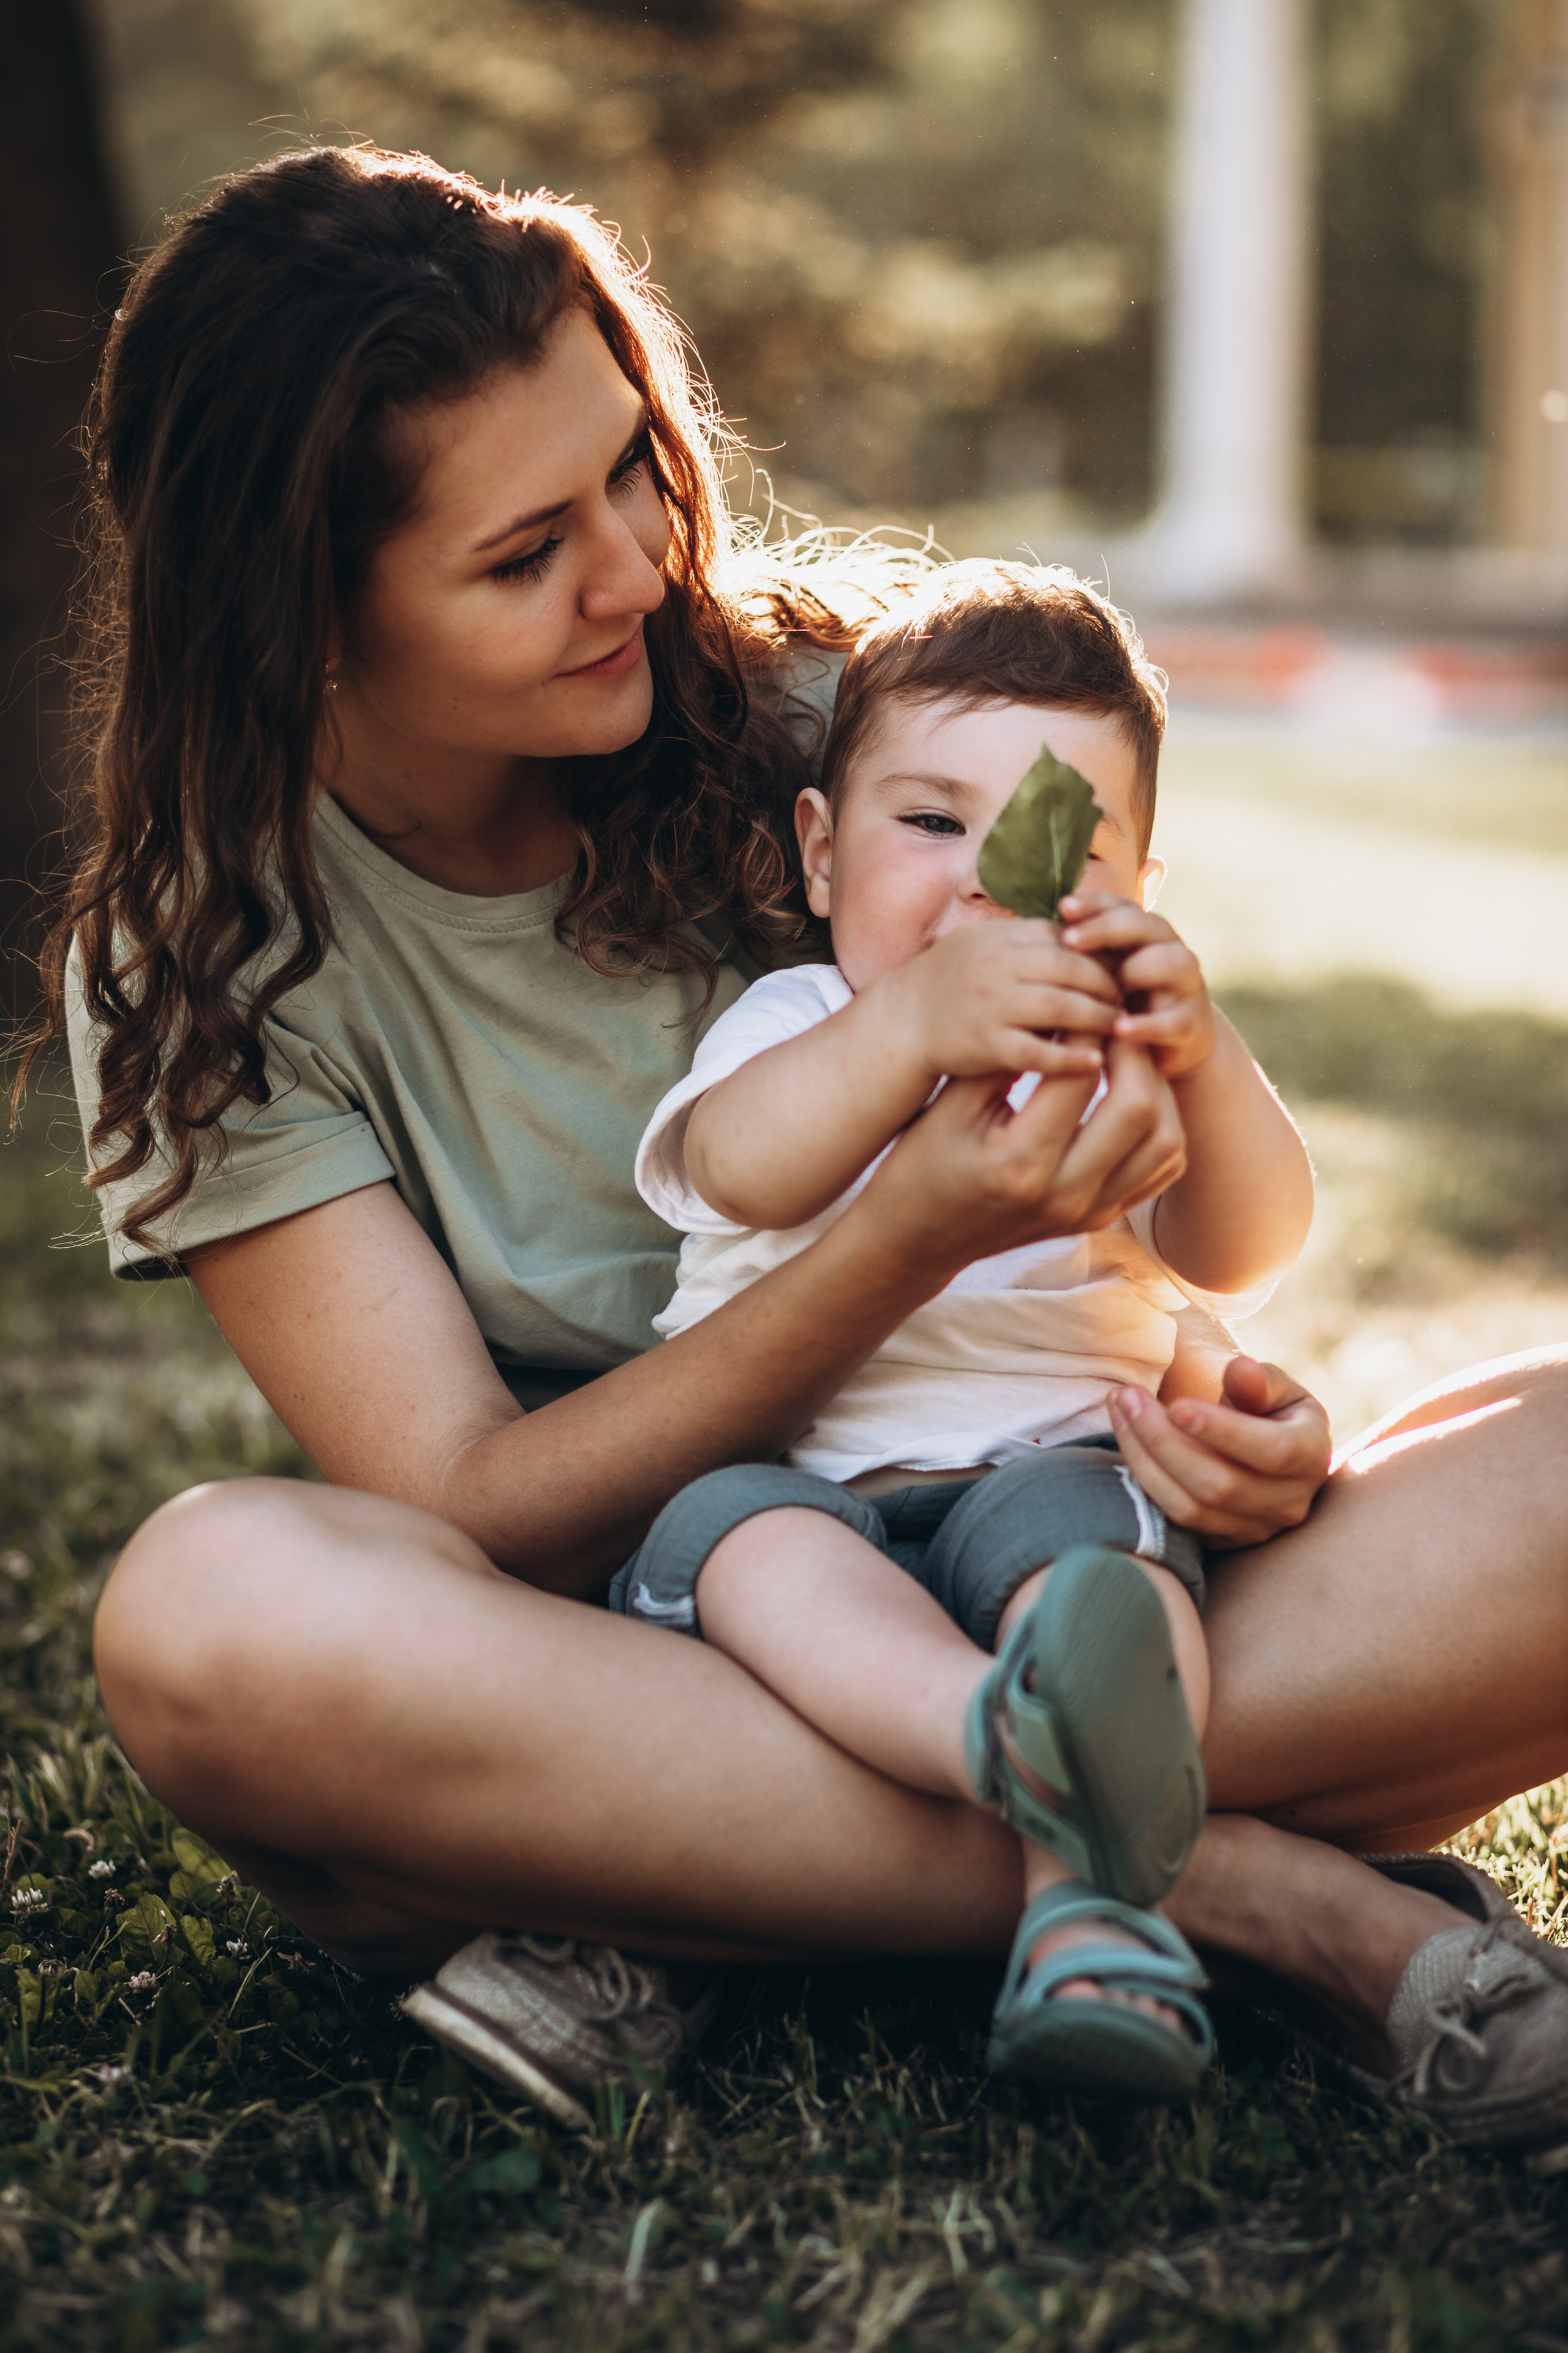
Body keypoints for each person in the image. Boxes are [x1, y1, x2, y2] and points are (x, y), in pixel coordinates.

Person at [40, 144, 1568, 2151]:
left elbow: (1149, 1200)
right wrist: (903, 1233)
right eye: (522, 556)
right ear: (298, 618)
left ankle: (676, 1908)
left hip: (1029, 1561)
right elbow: (483, 1511)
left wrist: (1228, 1412)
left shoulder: (861, 741)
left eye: (625, 470)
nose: (633, 572)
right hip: (650, 1649)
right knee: (212, 1618)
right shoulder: (202, 958)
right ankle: (1255, 1897)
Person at [612, 559, 1313, 2104]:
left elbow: (1244, 1244)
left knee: (1114, 1578)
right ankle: (1004, 1738)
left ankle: (1089, 1918)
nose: (986, 883)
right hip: (804, 1490)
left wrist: (1200, 1051)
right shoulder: (801, 1023)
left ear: (1135, 888)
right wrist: (911, 1031)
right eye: (929, 824)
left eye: (1053, 843)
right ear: (817, 851)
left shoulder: (1114, 1059)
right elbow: (738, 1165)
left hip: (1045, 1466)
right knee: (737, 1543)